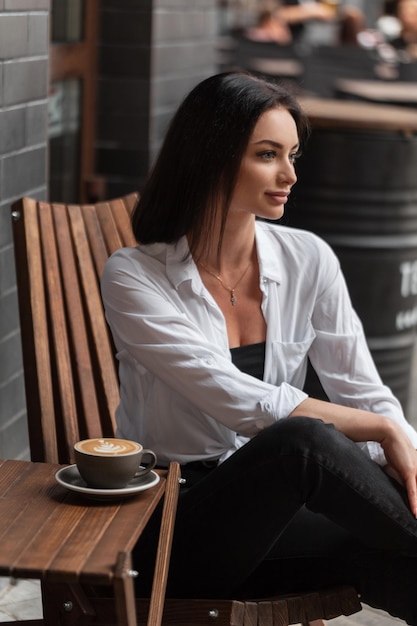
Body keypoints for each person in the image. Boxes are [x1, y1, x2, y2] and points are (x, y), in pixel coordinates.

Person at [101, 71, 417, 625]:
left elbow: (365, 392)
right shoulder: (135, 276)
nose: (290, 174)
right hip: (174, 529)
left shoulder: (307, 258)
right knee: (299, 442)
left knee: (391, 558)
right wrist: (383, 432)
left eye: (293, 154)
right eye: (267, 154)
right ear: (211, 157)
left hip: (273, 525)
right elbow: (243, 404)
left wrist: (401, 445)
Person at [275, 0, 366, 45]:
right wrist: (312, 12)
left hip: (331, 49)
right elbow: (277, 15)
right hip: (297, 46)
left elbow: (353, 14)